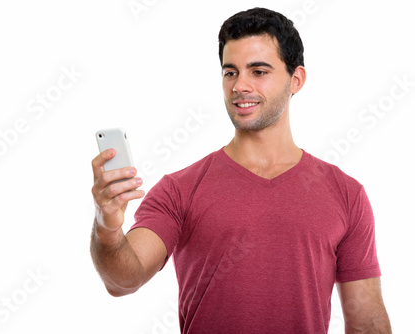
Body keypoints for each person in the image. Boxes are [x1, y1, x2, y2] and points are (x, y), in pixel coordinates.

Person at [90, 7, 391, 333]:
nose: (239, 86)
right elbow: (123, 280)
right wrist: (106, 225)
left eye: (258, 71)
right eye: (230, 72)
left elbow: (368, 322)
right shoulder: (179, 189)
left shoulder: (346, 194)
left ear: (296, 79)